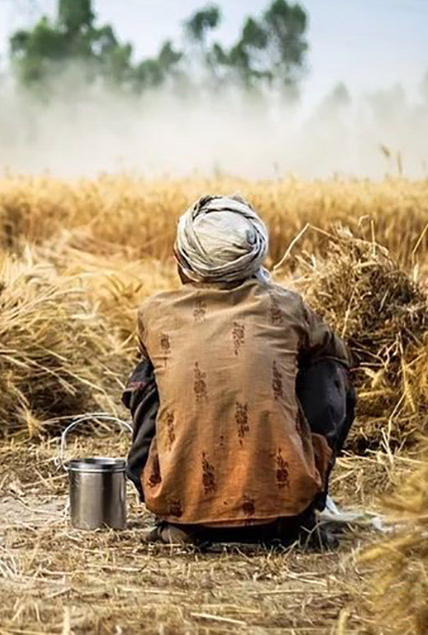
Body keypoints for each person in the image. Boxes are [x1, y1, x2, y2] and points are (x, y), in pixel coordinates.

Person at [123, 195, 355, 547]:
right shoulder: (288, 306)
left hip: (182, 510)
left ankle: (175, 502)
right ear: (255, 258)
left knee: (149, 373)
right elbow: (338, 361)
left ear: (180, 261)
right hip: (285, 516)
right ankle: (302, 498)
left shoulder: (155, 313)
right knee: (327, 365)